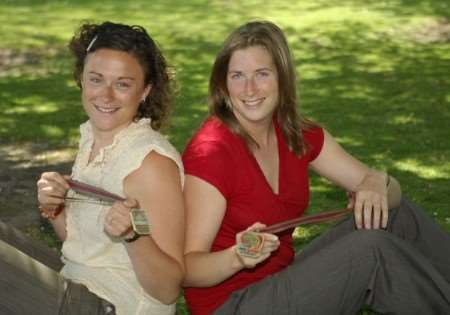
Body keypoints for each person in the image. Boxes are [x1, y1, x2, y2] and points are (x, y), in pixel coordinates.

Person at [181, 20, 450, 314]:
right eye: (237, 76)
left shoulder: (295, 134)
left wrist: (375, 181)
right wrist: (237, 257)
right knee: (370, 250)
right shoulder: (211, 152)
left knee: (397, 214)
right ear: (222, 84)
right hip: (232, 305)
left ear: (282, 78)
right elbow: (188, 266)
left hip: (280, 280)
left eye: (262, 74)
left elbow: (392, 194)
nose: (249, 89)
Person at [0, 21, 184, 315]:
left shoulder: (151, 164)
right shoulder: (94, 139)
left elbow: (167, 289)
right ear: (82, 79)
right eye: (96, 79)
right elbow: (86, 248)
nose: (106, 96)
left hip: (114, 306)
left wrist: (134, 236)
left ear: (145, 91)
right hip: (79, 283)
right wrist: (55, 208)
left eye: (123, 84)